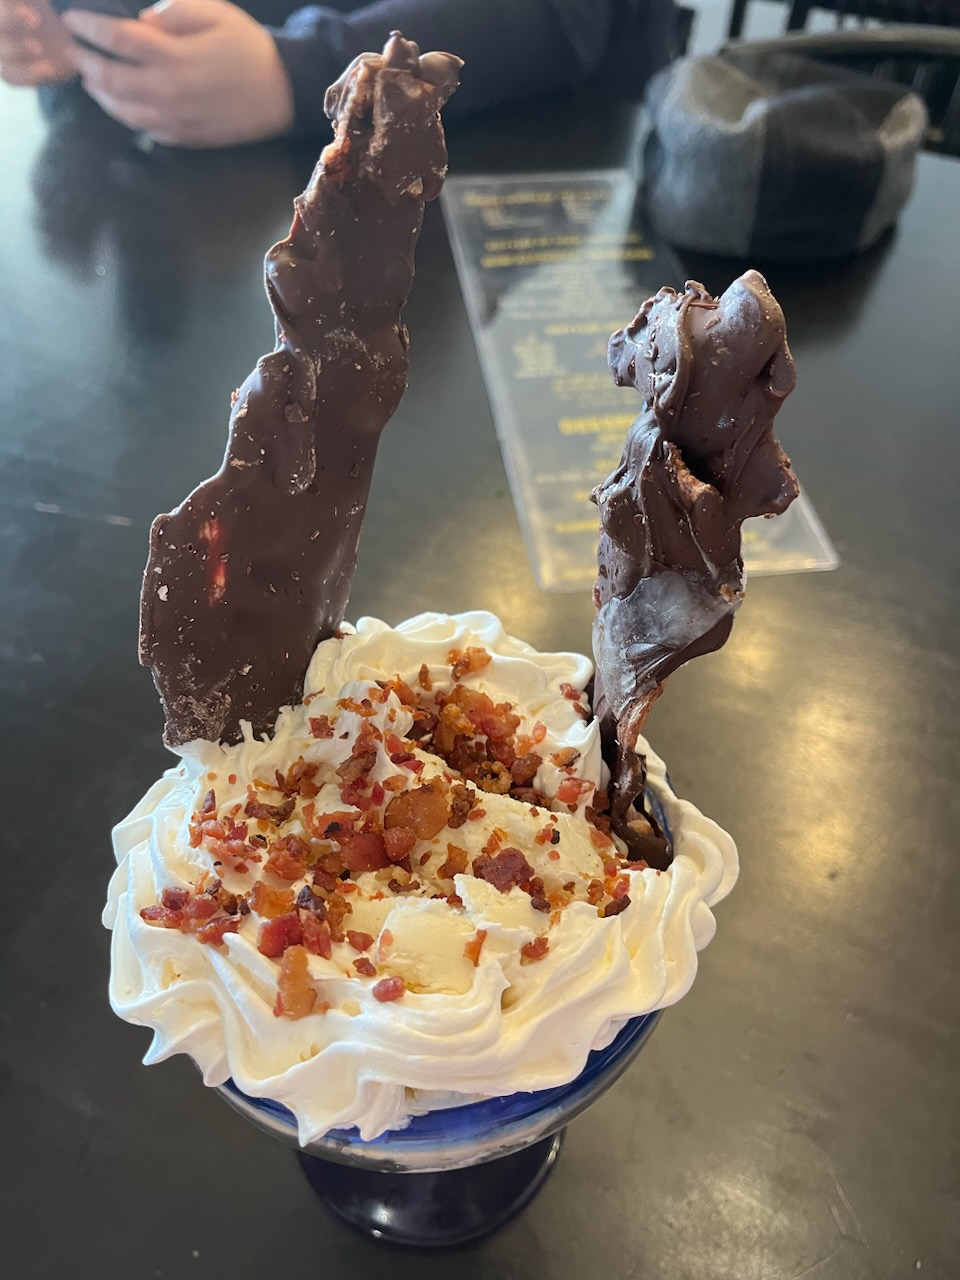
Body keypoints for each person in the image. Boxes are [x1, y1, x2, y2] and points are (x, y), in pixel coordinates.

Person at [0, 0, 682, 147]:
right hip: (200, 181)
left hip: (532, 152)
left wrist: (307, 71)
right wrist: (84, 21)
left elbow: (566, 18)